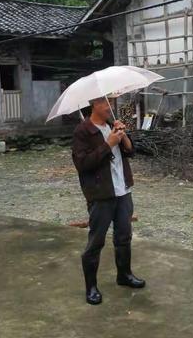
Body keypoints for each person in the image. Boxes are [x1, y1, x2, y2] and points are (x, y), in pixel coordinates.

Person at [72, 96, 145, 306]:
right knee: (96, 242)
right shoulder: (82, 131)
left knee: (124, 236)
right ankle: (91, 287)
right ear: (94, 104)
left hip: (123, 190)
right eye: (106, 103)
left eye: (111, 102)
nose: (110, 107)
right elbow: (83, 164)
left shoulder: (113, 125)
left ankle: (124, 275)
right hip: (101, 193)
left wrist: (122, 137)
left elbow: (130, 152)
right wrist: (108, 144)